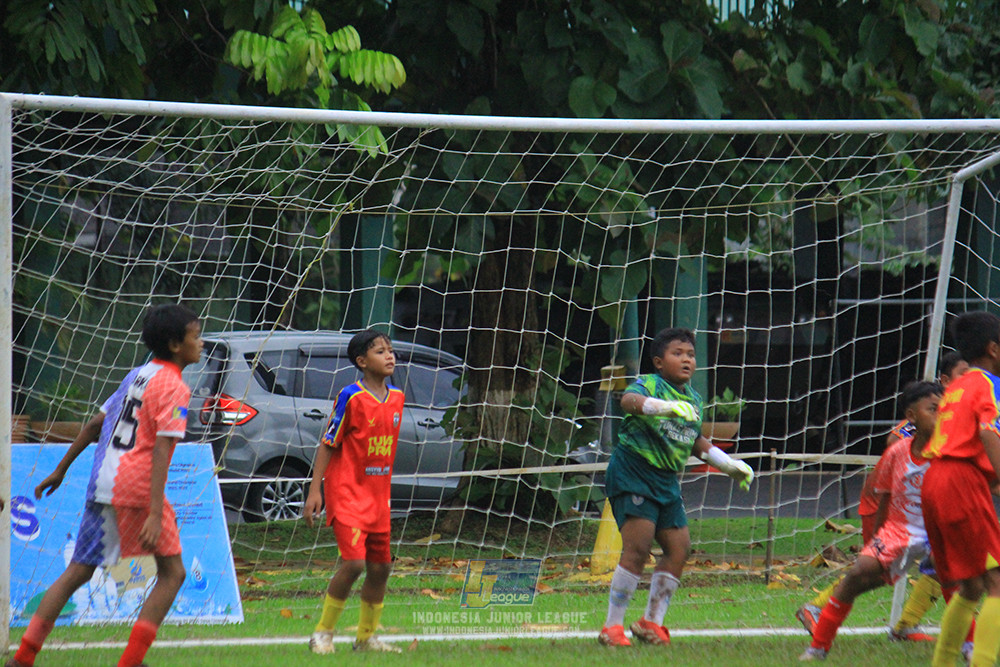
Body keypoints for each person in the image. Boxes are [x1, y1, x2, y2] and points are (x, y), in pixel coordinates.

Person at [6, 303, 202, 667]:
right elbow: (162, 446)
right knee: (173, 573)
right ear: (176, 344)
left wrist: (61, 469)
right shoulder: (175, 388)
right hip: (138, 486)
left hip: (103, 480)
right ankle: (130, 662)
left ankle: (22, 658)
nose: (201, 343)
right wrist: (156, 512)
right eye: (196, 336)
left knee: (78, 570)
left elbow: (97, 423)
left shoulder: (137, 376)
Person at [795, 350, 969, 639]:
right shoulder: (928, 415)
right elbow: (895, 439)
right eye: (964, 375)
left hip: (921, 507)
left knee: (943, 562)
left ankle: (905, 626)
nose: (972, 381)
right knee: (878, 570)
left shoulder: (957, 416)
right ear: (946, 380)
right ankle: (817, 607)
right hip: (886, 504)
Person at [597, 327, 754, 647]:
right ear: (658, 361)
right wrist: (662, 407)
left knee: (679, 548)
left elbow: (694, 440)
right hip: (634, 472)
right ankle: (611, 627)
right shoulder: (650, 384)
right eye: (677, 354)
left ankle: (650, 623)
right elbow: (628, 400)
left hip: (666, 480)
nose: (686, 359)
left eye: (691, 355)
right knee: (638, 549)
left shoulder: (693, 399)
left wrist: (729, 466)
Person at [799, 380, 943, 661]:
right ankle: (818, 645)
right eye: (933, 409)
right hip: (900, 529)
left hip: (939, 528)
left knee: (955, 578)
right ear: (911, 416)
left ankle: (967, 643)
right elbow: (885, 497)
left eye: (944, 409)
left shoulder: (953, 449)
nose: (941, 414)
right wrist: (877, 540)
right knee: (860, 573)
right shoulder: (897, 451)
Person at [304, 329, 404, 654]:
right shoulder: (350, 396)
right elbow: (328, 443)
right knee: (355, 564)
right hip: (346, 494)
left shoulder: (398, 399)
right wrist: (314, 490)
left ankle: (366, 637)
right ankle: (322, 633)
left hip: (378, 500)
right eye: (379, 351)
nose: (389, 356)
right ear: (362, 361)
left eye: (390, 350)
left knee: (381, 567)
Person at [921, 311, 1000, 667]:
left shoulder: (957, 386)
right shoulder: (985, 383)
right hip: (960, 481)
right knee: (997, 581)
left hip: (936, 479)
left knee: (970, 586)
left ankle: (944, 662)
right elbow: (987, 433)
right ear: (994, 349)